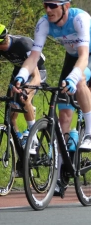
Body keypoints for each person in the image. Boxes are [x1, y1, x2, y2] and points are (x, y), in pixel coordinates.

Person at [12, 0, 91, 193]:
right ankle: (62, 170)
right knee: (64, 115)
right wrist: (21, 77)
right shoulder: (44, 23)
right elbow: (34, 57)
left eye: (52, 5)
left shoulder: (79, 18)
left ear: (66, 5)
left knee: (80, 79)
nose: (48, 10)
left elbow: (84, 56)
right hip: (72, 57)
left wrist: (74, 77)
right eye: (45, 5)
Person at [0, 24, 47, 154]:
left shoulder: (23, 44)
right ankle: (20, 141)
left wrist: (26, 92)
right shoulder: (1, 47)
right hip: (18, 72)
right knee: (10, 111)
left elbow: (36, 77)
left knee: (23, 98)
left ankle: (33, 137)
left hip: (37, 70)